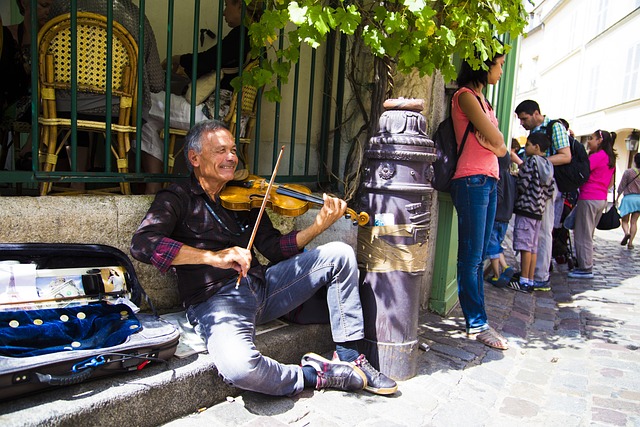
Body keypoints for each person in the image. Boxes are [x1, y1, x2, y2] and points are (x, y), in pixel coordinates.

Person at [130, 120, 398, 396]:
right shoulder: (176, 198)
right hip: (216, 302)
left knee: (339, 254)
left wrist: (317, 227)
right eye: (220, 151)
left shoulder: (245, 195)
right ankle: (315, 375)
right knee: (239, 368)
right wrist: (212, 257)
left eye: (233, 150)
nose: (232, 158)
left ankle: (350, 357)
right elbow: (142, 244)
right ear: (194, 158)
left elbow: (273, 248)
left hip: (264, 287)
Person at [140, 0, 255, 194]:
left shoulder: (241, 34)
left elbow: (209, 59)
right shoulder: (258, 42)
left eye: (228, 6)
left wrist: (178, 59)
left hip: (211, 115)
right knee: (148, 118)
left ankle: (152, 186)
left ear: (241, 7)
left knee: (145, 103)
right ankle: (154, 185)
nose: (225, 13)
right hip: (233, 118)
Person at [449, 48, 509, 350]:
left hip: (488, 180)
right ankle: (476, 323)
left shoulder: (485, 101)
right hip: (471, 180)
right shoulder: (465, 97)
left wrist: (498, 147)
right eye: (498, 65)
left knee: (480, 255)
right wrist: (497, 146)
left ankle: (480, 319)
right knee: (471, 258)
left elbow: (502, 148)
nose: (500, 71)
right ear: (482, 66)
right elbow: (498, 142)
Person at [514, 100, 572, 291]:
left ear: (536, 113)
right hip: (540, 183)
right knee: (535, 234)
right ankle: (530, 274)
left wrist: (539, 162)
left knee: (543, 230)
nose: (522, 123)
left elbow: (566, 156)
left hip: (546, 184)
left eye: (524, 119)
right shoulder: (536, 132)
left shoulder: (555, 127)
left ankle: (539, 276)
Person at [509, 133, 555, 292]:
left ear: (536, 147)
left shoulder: (531, 163)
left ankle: (523, 281)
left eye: (528, 144)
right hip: (538, 211)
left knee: (524, 246)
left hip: (526, 209)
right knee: (533, 247)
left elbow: (522, 184)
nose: (525, 147)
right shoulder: (548, 165)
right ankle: (530, 278)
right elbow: (550, 191)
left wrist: (516, 177)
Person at [568, 130, 617, 278]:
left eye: (591, 138)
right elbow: (610, 182)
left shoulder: (598, 157)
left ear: (599, 140)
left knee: (583, 233)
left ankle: (585, 267)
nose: (589, 141)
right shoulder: (610, 158)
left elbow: (582, 170)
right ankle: (585, 264)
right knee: (588, 232)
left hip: (589, 197)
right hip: (600, 198)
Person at [485, 151, 516, 288]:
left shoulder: (499, 175)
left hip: (496, 216)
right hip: (505, 218)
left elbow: (499, 196)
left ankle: (504, 269)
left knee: (492, 247)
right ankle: (497, 274)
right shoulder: (510, 177)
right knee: (495, 244)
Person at [617, 153, 640, 249]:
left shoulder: (628, 172)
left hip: (628, 199)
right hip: (639, 199)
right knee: (634, 222)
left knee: (625, 221)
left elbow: (622, 185)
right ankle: (630, 243)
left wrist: (617, 196)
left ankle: (626, 233)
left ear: (635, 161)